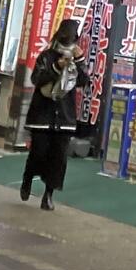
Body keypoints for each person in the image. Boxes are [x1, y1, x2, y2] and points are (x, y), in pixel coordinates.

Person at [21, 20, 82, 210]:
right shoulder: (46, 56)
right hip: (42, 116)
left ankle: (48, 195)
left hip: (64, 117)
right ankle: (28, 178)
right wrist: (56, 66)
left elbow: (84, 81)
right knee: (38, 152)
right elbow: (36, 79)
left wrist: (78, 61)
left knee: (58, 157)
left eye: (71, 39)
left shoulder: (76, 59)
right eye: (66, 38)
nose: (68, 43)